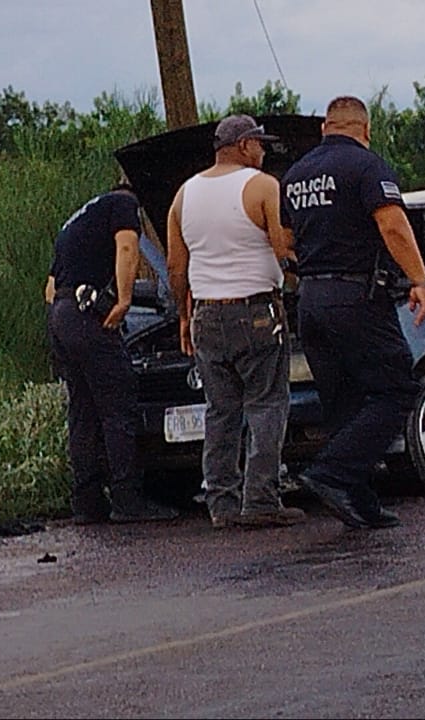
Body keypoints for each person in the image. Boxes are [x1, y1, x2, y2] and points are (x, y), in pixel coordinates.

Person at [279, 95, 425, 530]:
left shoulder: (295, 175)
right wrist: (418, 279)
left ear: (325, 127)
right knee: (397, 388)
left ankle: (360, 503)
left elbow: (283, 242)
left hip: (310, 299)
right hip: (355, 296)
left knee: (344, 401)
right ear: (364, 130)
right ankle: (333, 472)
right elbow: (392, 225)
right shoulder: (368, 167)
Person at [165, 115, 305, 530]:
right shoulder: (262, 186)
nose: (264, 151)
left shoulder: (183, 195)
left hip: (207, 312)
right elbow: (283, 248)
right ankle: (261, 499)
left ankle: (221, 504)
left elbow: (176, 265)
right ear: (244, 145)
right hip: (256, 310)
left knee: (220, 410)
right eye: (259, 144)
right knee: (266, 404)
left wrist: (185, 315)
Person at [44, 184, 180, 523]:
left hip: (62, 315)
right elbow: (126, 248)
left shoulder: (76, 221)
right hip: (89, 319)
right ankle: (128, 500)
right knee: (118, 409)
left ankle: (87, 503)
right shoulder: (123, 203)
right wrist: (123, 300)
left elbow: (48, 289)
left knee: (82, 411)